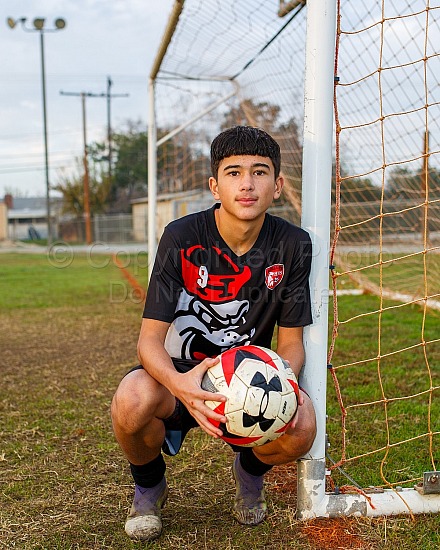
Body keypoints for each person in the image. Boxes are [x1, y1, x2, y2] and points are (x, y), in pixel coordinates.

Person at [111, 125, 316, 541]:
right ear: (214, 185)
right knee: (131, 401)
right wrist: (180, 385)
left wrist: (278, 383)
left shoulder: (293, 244)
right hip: (181, 376)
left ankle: (250, 470)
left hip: (248, 382)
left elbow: (291, 343)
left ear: (277, 185)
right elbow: (149, 340)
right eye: (234, 172)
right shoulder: (182, 237)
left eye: (260, 172)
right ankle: (149, 485)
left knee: (304, 428)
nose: (247, 184)